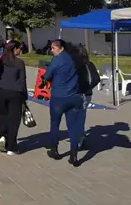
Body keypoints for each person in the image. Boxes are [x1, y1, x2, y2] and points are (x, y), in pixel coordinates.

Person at [44, 39, 83, 167]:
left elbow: (47, 76)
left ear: (61, 48)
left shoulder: (57, 60)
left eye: (54, 48)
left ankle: (54, 149)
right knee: (73, 127)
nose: (52, 50)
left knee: (55, 123)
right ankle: (74, 155)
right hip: (74, 96)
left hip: (59, 97)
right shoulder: (74, 58)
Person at [0, 40, 28, 155]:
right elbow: (22, 81)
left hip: (1, 91)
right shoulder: (19, 63)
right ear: (14, 49)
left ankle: (3, 135)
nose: (21, 51)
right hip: (15, 92)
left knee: (3, 116)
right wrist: (25, 96)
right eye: (20, 48)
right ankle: (11, 147)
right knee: (14, 120)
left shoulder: (1, 60)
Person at [70, 43, 99, 150]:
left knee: (75, 117)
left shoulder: (75, 65)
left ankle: (78, 139)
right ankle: (80, 136)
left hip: (77, 94)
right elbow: (96, 79)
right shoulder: (90, 64)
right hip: (87, 94)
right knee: (81, 116)